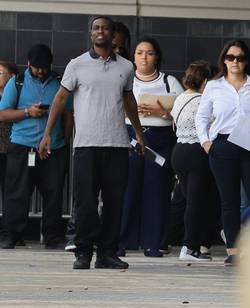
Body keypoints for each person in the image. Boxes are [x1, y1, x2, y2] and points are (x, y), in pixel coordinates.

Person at [41, 16, 147, 270]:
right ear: (91, 34)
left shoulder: (126, 66)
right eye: (96, 28)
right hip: (86, 145)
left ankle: (107, 254)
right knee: (85, 203)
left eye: (106, 28)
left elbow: (129, 101)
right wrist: (46, 134)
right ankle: (84, 252)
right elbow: (59, 99)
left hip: (118, 144)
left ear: (114, 36)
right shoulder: (76, 65)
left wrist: (139, 134)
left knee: (114, 202)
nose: (101, 31)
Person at [194, 40, 250, 266]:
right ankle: (234, 251)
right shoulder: (214, 86)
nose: (235, 62)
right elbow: (201, 117)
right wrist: (206, 142)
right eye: (230, 57)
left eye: (239, 57)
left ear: (246, 60)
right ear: (224, 60)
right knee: (229, 201)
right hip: (223, 144)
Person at [0, 45, 71, 250]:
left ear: (51, 64)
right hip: (22, 146)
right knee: (17, 193)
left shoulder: (60, 83)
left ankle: (53, 236)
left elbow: (68, 115)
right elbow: (3, 114)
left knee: (54, 193)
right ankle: (11, 235)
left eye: (44, 67)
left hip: (54, 148)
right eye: (36, 67)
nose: (40, 71)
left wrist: (64, 142)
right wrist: (28, 112)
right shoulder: (17, 82)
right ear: (28, 64)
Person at [119, 38, 182, 258]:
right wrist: (131, 113)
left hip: (161, 138)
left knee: (157, 191)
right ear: (133, 57)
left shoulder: (169, 82)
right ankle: (123, 240)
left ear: (157, 57)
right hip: (131, 137)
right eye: (139, 53)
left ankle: (154, 242)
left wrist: (163, 113)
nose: (144, 57)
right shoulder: (126, 80)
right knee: (127, 189)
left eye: (149, 53)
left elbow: (185, 112)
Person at [171, 61, 219, 261]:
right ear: (206, 81)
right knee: (196, 203)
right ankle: (189, 247)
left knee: (189, 200)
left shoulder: (181, 97)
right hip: (196, 153)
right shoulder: (204, 100)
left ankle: (188, 243)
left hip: (179, 151)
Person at [0, 61, 16, 245]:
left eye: (0, 72)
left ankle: (9, 231)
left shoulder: (17, 96)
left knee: (11, 191)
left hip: (11, 150)